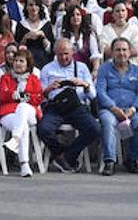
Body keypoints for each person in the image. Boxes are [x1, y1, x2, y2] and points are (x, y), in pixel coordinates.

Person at [36, 37, 99, 172]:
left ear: (72, 52)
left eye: (66, 54)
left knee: (94, 128)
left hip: (76, 106)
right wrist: (48, 89)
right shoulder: (47, 69)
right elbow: (39, 96)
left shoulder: (81, 68)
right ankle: (60, 154)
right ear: (55, 54)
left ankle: (67, 156)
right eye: (60, 54)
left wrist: (84, 84)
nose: (63, 57)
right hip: (55, 106)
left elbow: (93, 95)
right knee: (44, 129)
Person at [94, 38, 138, 174]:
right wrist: (113, 108)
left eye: (124, 49)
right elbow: (100, 92)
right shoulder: (104, 69)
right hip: (110, 109)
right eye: (118, 50)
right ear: (112, 52)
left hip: (133, 110)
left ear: (130, 52)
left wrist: (133, 108)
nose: (121, 53)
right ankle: (109, 161)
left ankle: (131, 158)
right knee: (108, 122)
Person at [0, 48, 42, 178]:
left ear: (28, 64)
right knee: (24, 128)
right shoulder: (6, 78)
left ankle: (14, 139)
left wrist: (17, 96)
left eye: (21, 61)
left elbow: (38, 98)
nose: (18, 63)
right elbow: (3, 96)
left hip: (30, 112)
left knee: (22, 106)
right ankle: (24, 164)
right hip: (8, 113)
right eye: (16, 60)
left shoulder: (34, 79)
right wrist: (25, 96)